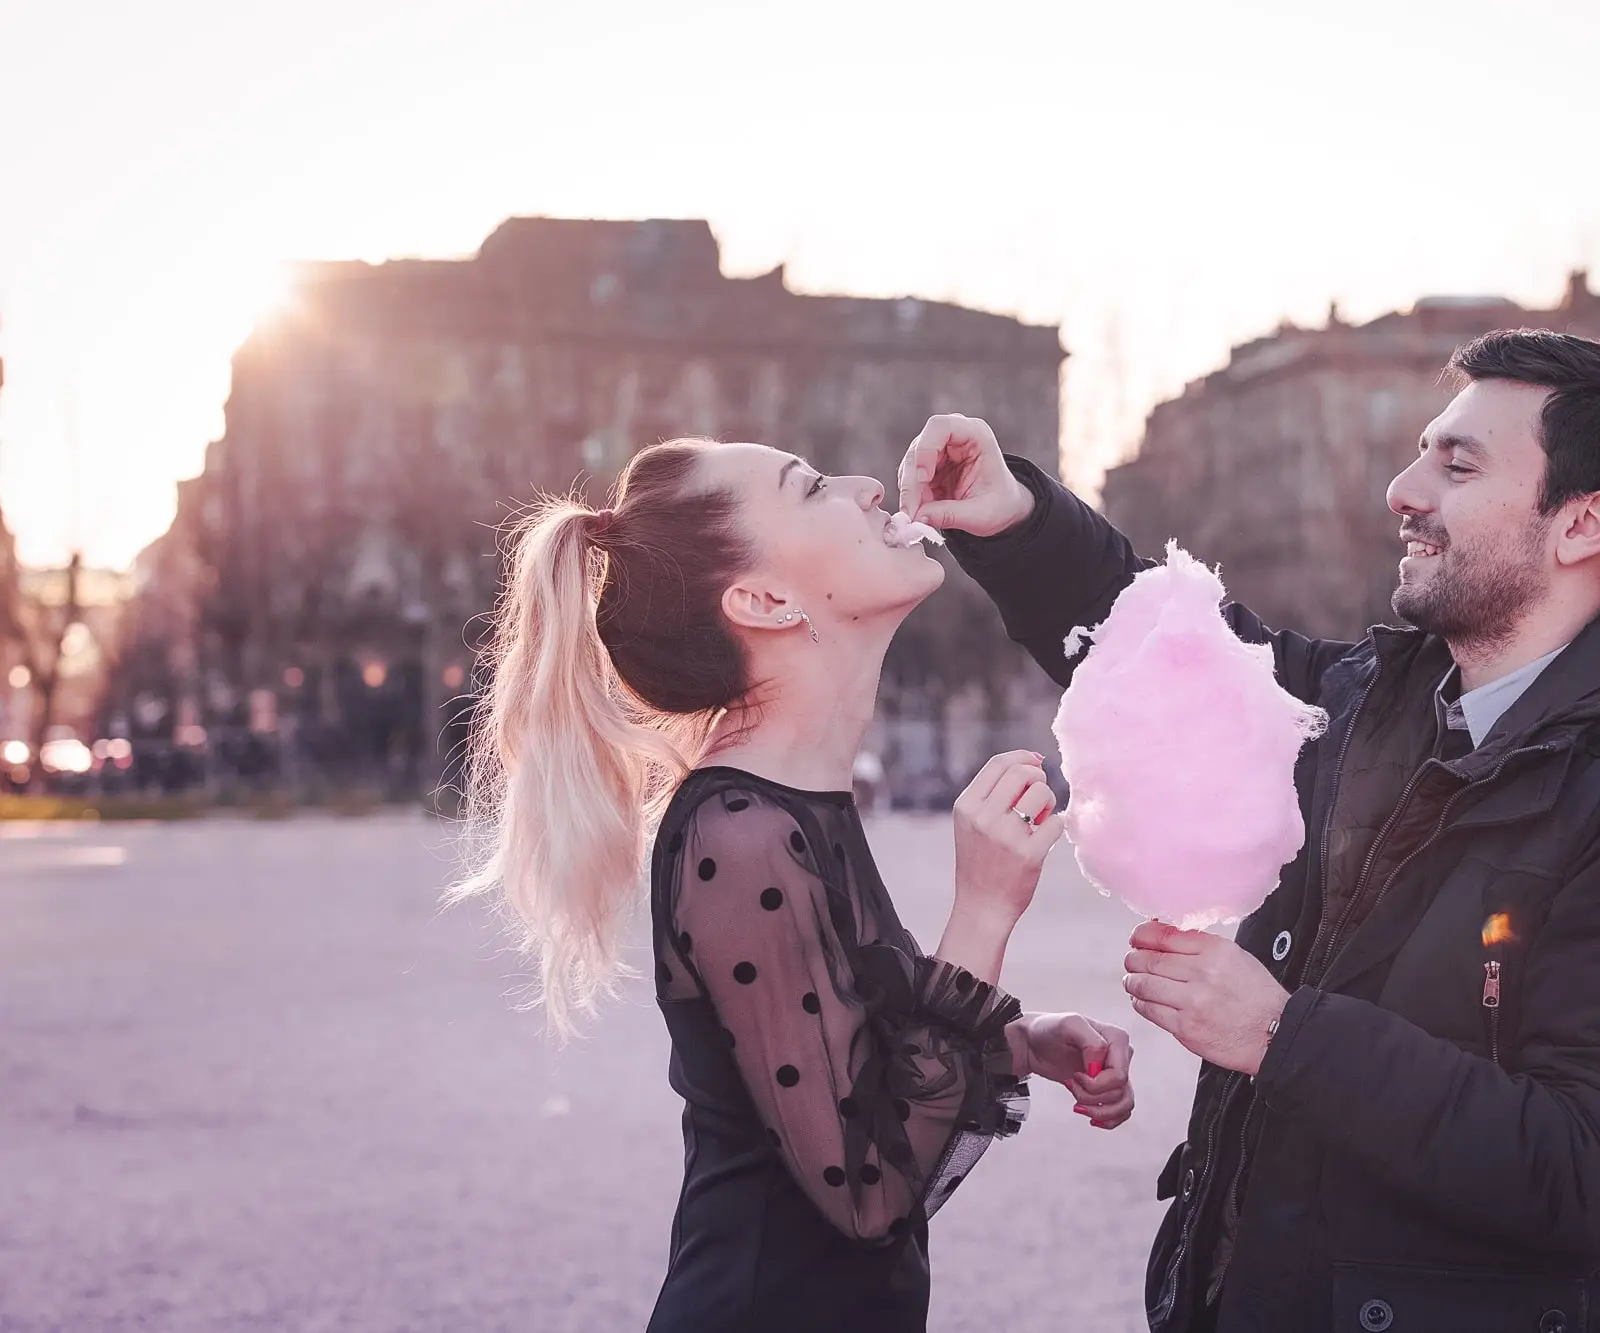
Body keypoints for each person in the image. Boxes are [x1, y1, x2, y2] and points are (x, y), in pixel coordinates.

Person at [900, 329, 1600, 1333]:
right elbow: (1169, 650)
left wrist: (1282, 1035)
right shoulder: (1364, 701)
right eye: (1419, 453)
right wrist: (1013, 521)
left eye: (1455, 465)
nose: (1402, 490)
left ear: (1580, 525)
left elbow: (1595, 1169)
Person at [450, 437, 1137, 1333]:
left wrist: (1019, 1037)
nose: (861, 486)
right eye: (809, 488)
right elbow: (869, 1190)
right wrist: (983, 910)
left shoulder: (791, 801)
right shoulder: (740, 833)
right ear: (765, 600)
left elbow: (853, 1054)